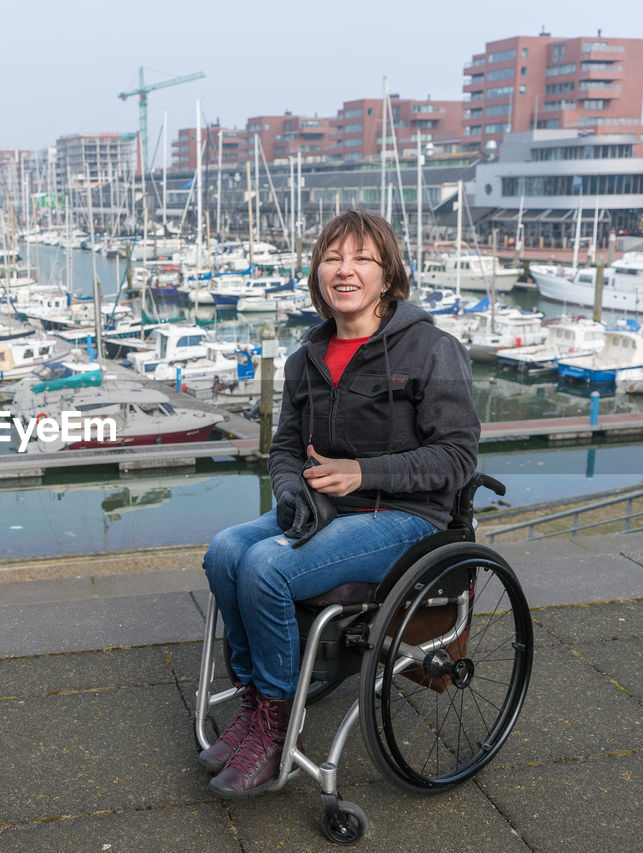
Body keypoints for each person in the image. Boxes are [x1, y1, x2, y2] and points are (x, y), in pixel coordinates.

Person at [199, 208, 480, 799]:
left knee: (266, 567)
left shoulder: (432, 349)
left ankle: (275, 726)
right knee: (225, 551)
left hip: (407, 520)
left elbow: (457, 458)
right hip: (328, 510)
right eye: (332, 258)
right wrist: (291, 489)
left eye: (361, 259)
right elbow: (282, 449)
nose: (344, 270)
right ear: (317, 273)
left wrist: (361, 472)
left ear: (387, 275)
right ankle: (255, 704)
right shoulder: (307, 358)